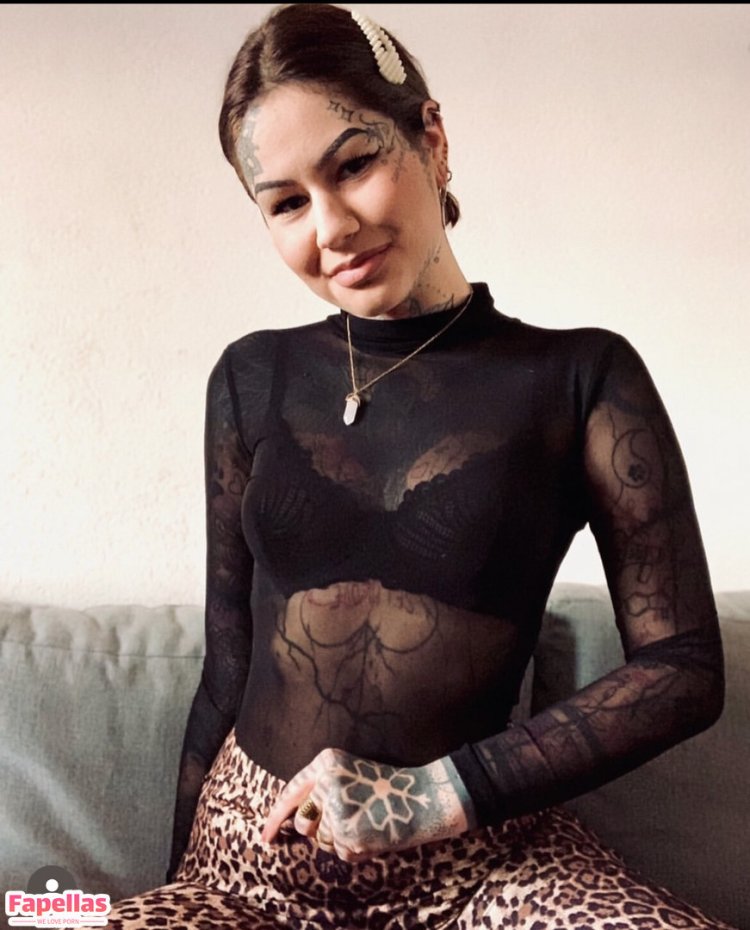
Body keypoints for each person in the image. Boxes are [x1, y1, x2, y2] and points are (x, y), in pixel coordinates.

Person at [97, 4, 735, 928]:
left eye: (354, 165)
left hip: (482, 867)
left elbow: (683, 667)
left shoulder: (583, 377)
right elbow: (227, 668)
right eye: (286, 203)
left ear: (431, 139)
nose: (332, 227)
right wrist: (177, 889)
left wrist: (432, 795)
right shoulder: (251, 377)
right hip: (250, 866)